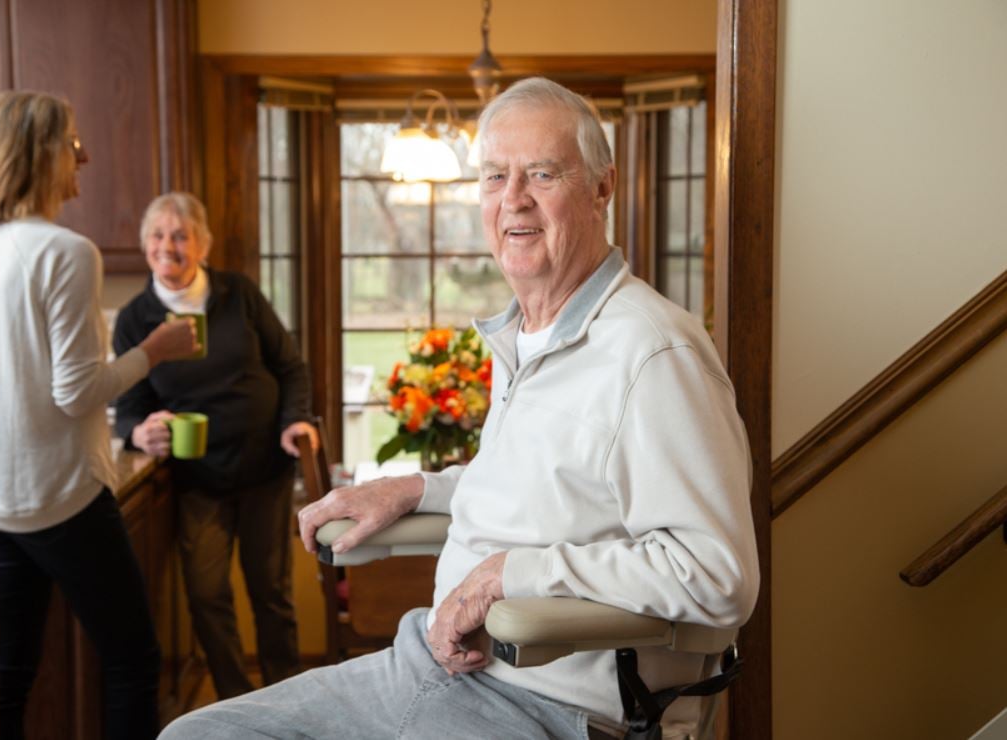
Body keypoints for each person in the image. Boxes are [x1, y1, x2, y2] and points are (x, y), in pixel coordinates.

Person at [159, 77, 759, 740]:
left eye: (541, 173)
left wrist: (510, 575)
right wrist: (418, 488)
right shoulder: (528, 334)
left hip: (540, 703)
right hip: (428, 663)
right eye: (495, 176)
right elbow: (554, 489)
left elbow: (716, 572)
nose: (514, 199)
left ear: (601, 188)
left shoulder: (651, 352)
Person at [0, 91, 198, 740]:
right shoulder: (67, 252)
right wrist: (154, 349)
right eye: (72, 142)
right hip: (64, 494)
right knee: (134, 659)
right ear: (42, 152)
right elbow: (77, 392)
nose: (84, 156)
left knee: (9, 674)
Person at [112, 192, 318, 700]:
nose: (169, 246)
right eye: (158, 235)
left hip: (264, 468)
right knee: (206, 596)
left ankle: (287, 701)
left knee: (271, 594)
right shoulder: (135, 319)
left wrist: (294, 421)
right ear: (144, 246)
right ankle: (238, 706)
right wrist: (138, 431)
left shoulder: (238, 294)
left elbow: (290, 366)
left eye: (181, 235)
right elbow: (130, 403)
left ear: (202, 244)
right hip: (198, 480)